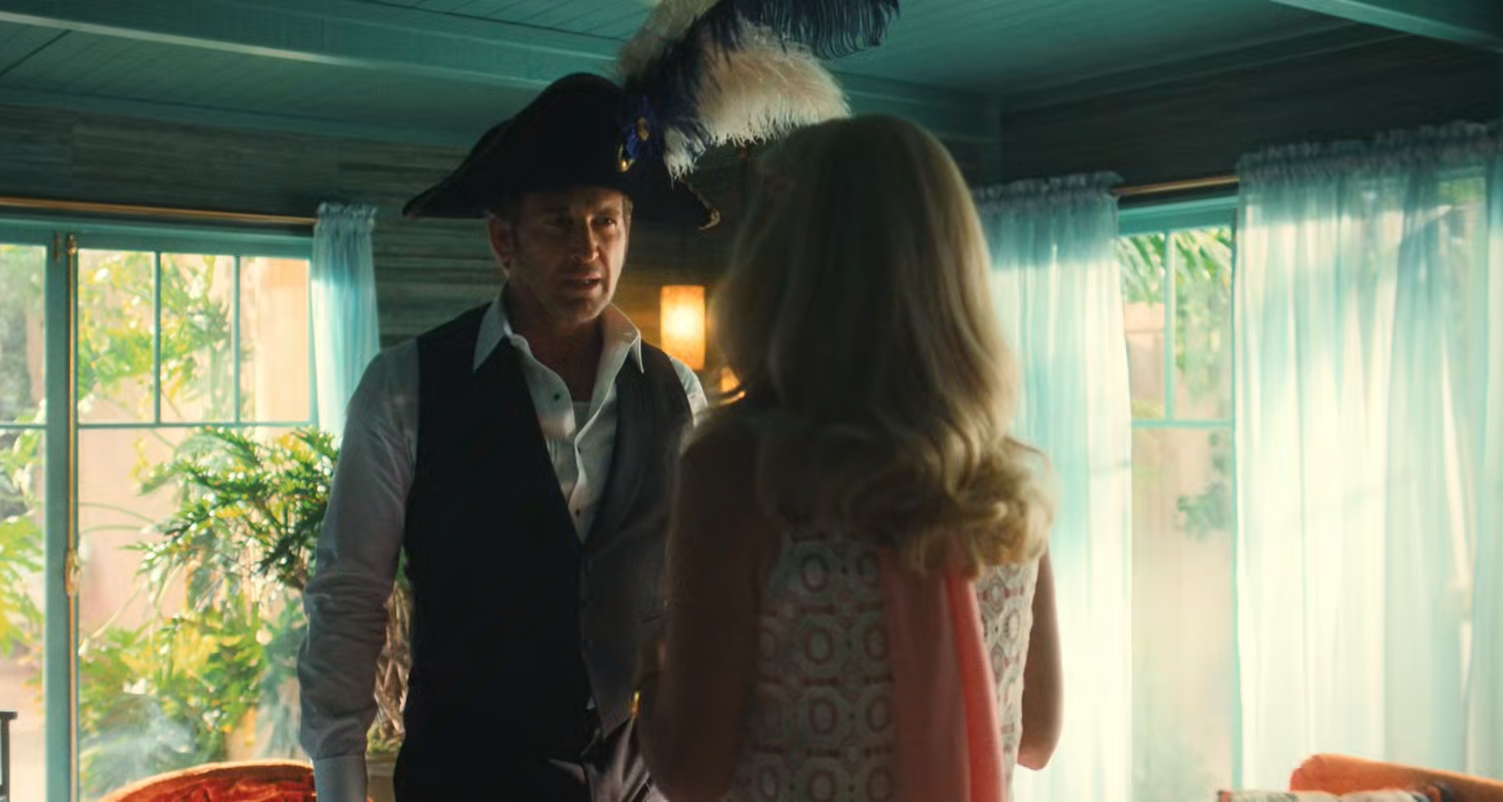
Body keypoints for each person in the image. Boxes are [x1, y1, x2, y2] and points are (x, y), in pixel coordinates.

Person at [296, 72, 713, 802]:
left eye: (606, 222)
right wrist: (340, 787)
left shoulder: (678, 393)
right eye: (558, 222)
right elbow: (350, 597)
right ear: (503, 240)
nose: (587, 248)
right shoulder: (405, 387)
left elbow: (700, 593)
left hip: (635, 784)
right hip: (465, 781)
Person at [630, 115, 1065, 802]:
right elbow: (1036, 735)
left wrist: (649, 675)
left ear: (778, 268)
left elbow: (693, 774)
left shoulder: (745, 474)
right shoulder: (1003, 479)